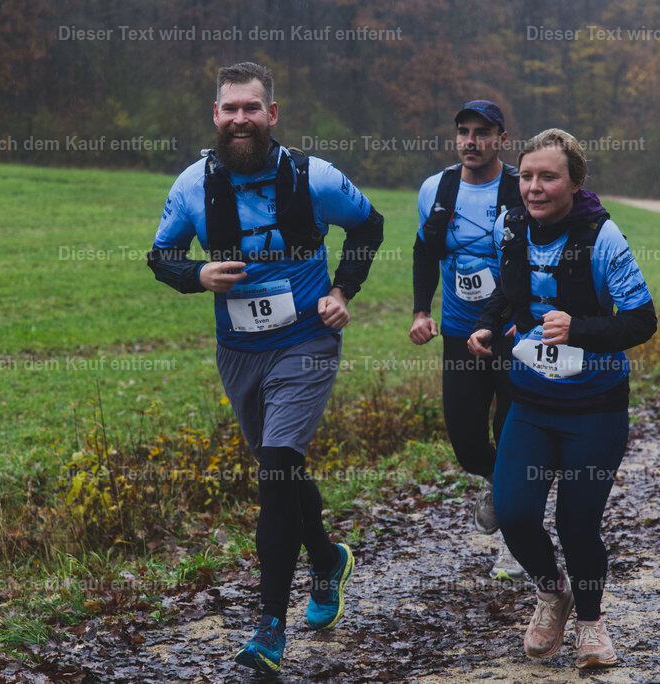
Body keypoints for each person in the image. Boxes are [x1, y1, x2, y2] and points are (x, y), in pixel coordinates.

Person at [147, 61, 383, 675]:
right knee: (282, 470)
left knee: (276, 471)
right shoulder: (192, 185)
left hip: (306, 341)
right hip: (239, 352)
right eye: (230, 108)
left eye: (251, 107)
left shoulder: (313, 176)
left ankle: (270, 627)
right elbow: (161, 256)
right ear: (215, 115)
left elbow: (369, 224)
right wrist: (197, 274)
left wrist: (343, 290)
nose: (240, 119)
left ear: (271, 114)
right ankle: (328, 559)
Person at [467, 128, 656, 668]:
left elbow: (642, 321)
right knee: (513, 513)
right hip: (530, 400)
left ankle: (591, 623)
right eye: (526, 176)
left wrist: (579, 329)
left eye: (547, 177)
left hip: (595, 406)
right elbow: (507, 290)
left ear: (575, 182)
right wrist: (487, 324)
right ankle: (553, 592)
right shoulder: (509, 226)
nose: (533, 187)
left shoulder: (603, 237)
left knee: (577, 523)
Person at [409, 100, 525, 580]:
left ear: (502, 139)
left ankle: (517, 541)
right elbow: (424, 250)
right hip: (458, 332)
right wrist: (420, 311)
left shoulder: (520, 188)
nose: (471, 141)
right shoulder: (437, 189)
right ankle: (499, 484)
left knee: (512, 433)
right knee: (466, 440)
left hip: (511, 333)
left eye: (482, 132)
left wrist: (526, 314)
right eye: (463, 132)